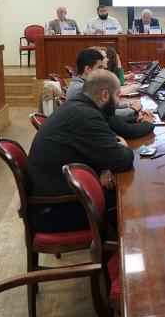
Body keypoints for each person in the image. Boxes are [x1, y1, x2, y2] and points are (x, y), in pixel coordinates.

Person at [25, 69, 135, 232]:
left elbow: (103, 147)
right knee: (131, 201)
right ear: (105, 95)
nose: (118, 101)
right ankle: (121, 245)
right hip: (54, 211)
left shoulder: (78, 106)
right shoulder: (87, 116)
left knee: (119, 189)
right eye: (118, 95)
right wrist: (124, 148)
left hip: (51, 199)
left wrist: (105, 166)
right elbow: (122, 159)